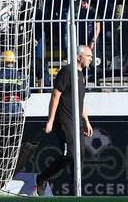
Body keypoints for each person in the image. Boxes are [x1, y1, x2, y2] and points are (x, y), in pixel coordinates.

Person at [36, 45, 93, 195]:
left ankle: (76, 193)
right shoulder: (67, 71)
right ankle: (42, 178)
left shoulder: (82, 76)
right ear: (79, 56)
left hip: (77, 122)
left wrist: (86, 121)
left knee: (79, 158)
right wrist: (50, 121)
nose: (91, 59)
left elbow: (80, 102)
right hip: (64, 121)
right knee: (70, 155)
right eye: (88, 56)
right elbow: (55, 95)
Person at [0, 49, 30, 119]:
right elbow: (26, 95)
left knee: (1, 128)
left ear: (2, 62)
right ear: (13, 62)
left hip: (1, 107)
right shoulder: (21, 76)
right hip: (16, 107)